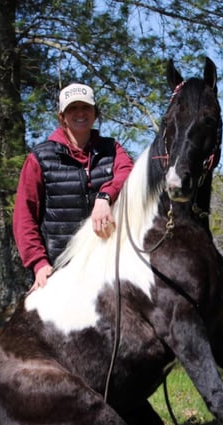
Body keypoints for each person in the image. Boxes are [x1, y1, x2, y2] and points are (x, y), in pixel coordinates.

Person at [13, 82, 134, 292]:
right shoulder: (40, 158)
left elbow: (129, 173)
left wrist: (104, 197)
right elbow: (24, 216)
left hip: (108, 268)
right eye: (73, 108)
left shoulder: (112, 149)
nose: (80, 113)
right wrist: (38, 263)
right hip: (59, 269)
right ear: (62, 116)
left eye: (86, 107)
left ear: (95, 113)